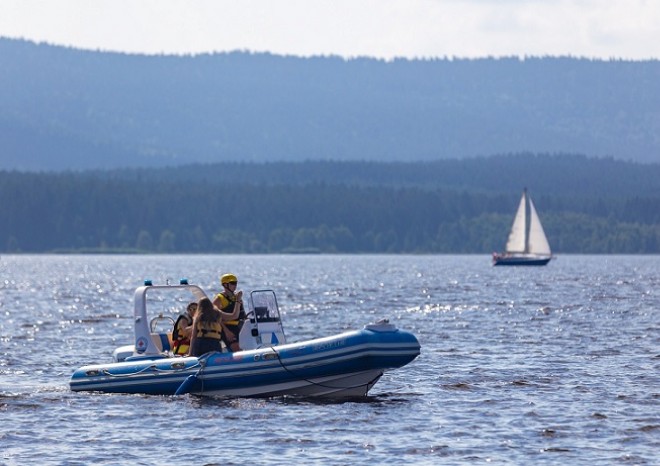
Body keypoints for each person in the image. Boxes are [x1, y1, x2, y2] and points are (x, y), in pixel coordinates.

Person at [213, 273, 246, 352]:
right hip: (227, 328)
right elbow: (215, 316)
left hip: (239, 327)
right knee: (236, 348)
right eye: (232, 283)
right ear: (225, 285)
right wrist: (226, 331)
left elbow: (242, 314)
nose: (235, 285)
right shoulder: (219, 298)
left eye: (236, 283)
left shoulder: (237, 297)